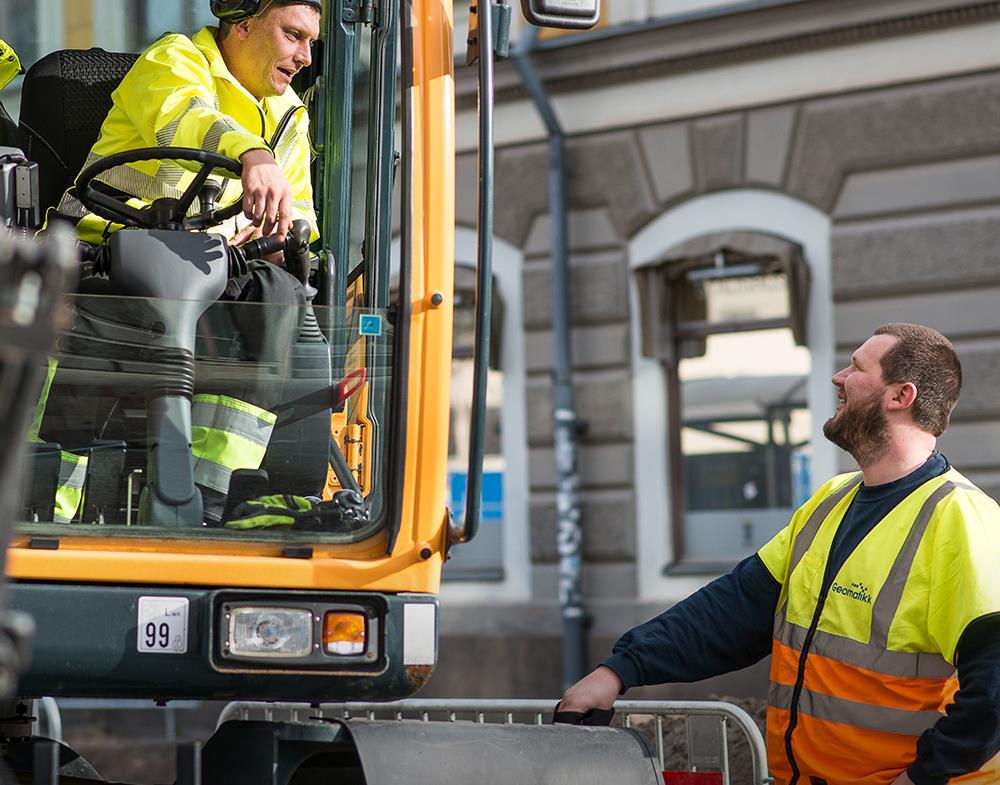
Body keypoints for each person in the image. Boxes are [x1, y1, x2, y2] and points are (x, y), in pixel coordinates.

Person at [560, 323, 1000, 785]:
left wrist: (922, 779)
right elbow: (735, 609)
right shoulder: (831, 501)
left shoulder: (962, 520)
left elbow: (993, 687)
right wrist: (618, 670)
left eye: (857, 366)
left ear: (900, 395)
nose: (838, 377)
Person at [37, 0, 323, 522]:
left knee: (278, 299)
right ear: (241, 24)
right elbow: (184, 118)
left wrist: (281, 234)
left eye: (310, 41)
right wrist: (252, 155)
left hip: (216, 277)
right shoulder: (174, 59)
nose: (305, 55)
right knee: (77, 331)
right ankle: (46, 505)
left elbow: (300, 215)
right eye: (292, 35)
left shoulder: (291, 119)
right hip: (108, 256)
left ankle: (209, 499)